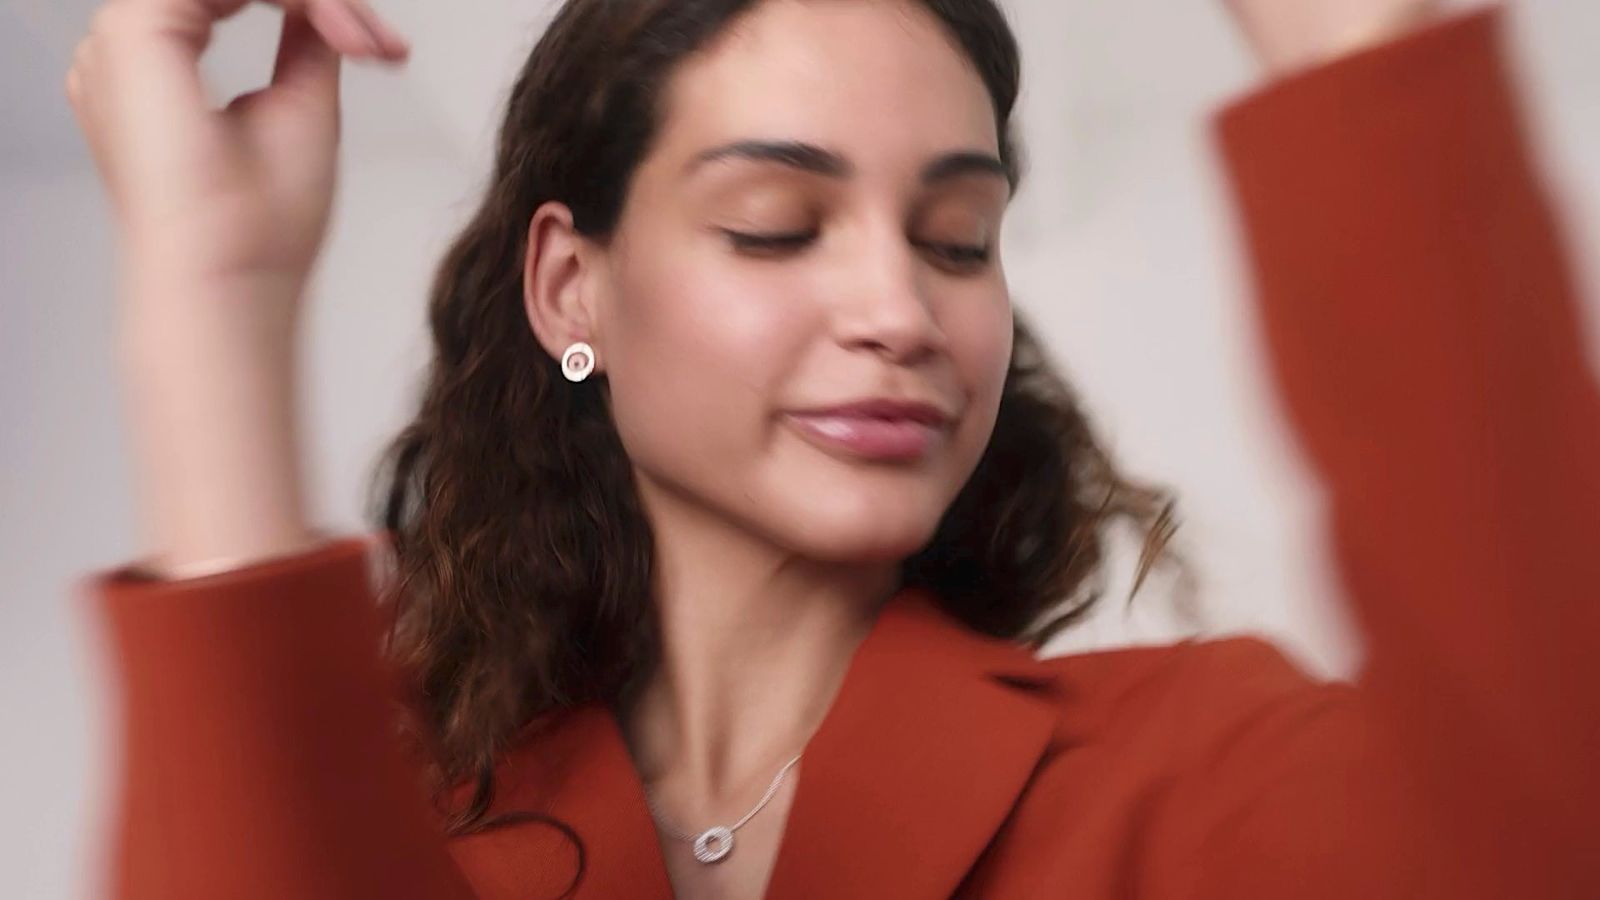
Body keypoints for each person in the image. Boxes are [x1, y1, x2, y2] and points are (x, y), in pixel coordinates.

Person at [66, 0, 1599, 897]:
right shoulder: (402, 826)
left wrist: (1367, 46)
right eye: (774, 225)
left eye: (957, 239)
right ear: (568, 285)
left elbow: (1544, 823)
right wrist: (216, 292)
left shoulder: (1184, 770)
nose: (897, 308)